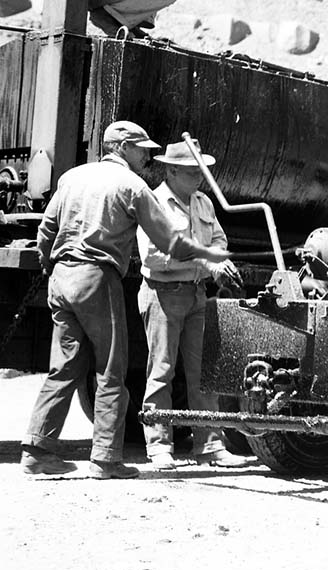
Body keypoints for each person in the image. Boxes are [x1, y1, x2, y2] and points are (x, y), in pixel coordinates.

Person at [21, 120, 230, 480]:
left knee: (65, 367)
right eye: (141, 149)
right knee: (111, 369)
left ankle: (37, 451)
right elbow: (171, 244)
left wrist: (48, 263)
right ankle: (105, 458)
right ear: (121, 148)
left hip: (61, 276)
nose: (146, 156)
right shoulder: (132, 185)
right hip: (97, 278)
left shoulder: (72, 177)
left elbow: (46, 230)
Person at [138, 141, 249, 469]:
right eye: (191, 171)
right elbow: (153, 257)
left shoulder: (203, 202)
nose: (199, 177)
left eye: (201, 170)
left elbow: (219, 241)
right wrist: (207, 263)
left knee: (204, 373)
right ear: (170, 171)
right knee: (162, 370)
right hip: (163, 294)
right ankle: (159, 446)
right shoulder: (154, 202)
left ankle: (210, 445)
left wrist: (211, 261)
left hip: (196, 294)